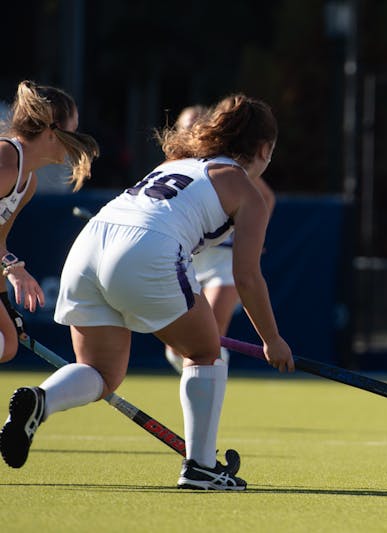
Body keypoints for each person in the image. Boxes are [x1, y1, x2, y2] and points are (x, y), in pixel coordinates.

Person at [0, 93, 294, 491]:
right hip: (148, 250)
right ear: (263, 149)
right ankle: (202, 468)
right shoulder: (247, 192)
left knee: (102, 372)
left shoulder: (175, 164)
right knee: (205, 353)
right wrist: (272, 340)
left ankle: (41, 400)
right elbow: (247, 277)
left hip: (89, 245)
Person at [164, 105, 277, 373]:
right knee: (178, 347)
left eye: (197, 123)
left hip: (224, 263)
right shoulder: (177, 165)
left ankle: (209, 400)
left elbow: (264, 198)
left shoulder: (231, 170)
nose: (191, 129)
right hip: (185, 261)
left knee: (210, 337)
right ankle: (205, 392)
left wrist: (251, 235)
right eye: (186, 125)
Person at [0, 80, 99, 363]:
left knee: (7, 344)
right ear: (51, 132)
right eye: (72, 129)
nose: (76, 138)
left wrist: (5, 301)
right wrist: (12, 267)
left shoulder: (27, 182)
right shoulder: (5, 164)